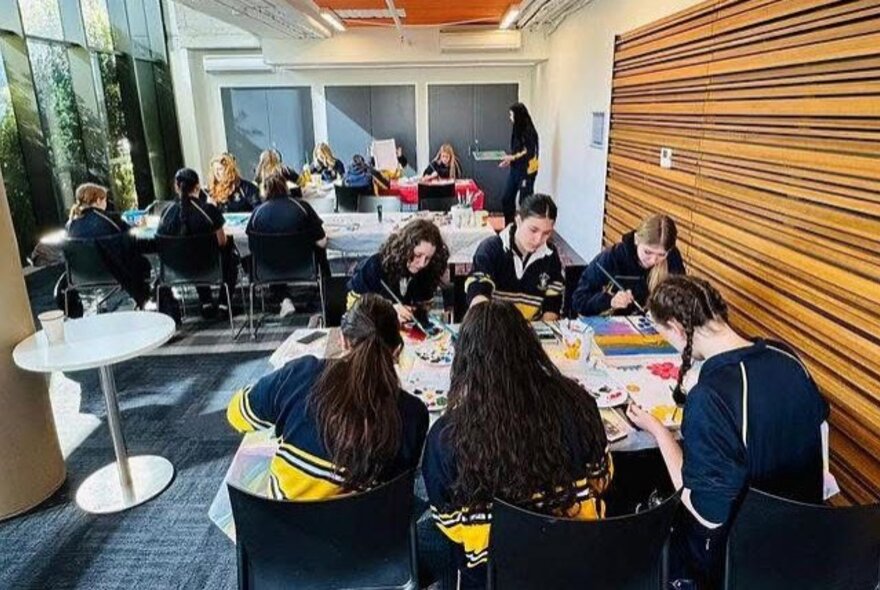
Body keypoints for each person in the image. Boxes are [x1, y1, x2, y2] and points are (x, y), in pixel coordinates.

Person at [626, 275, 829, 588]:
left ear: (679, 329)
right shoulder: (786, 357)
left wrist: (658, 430)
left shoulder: (710, 396)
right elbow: (822, 443)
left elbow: (706, 515)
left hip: (740, 561)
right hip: (808, 539)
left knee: (644, 507)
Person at [421, 300, 612, 589]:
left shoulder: (447, 434)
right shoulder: (578, 401)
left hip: (491, 576)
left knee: (424, 534)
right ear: (530, 347)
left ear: (464, 359)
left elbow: (450, 525)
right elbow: (601, 479)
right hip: (577, 562)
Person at [227, 294, 429, 500]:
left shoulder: (300, 374)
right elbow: (400, 489)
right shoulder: (415, 414)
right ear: (396, 351)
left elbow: (236, 414)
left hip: (283, 525)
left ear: (342, 340)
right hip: (366, 528)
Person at [54, 183, 151, 318]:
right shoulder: (110, 220)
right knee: (143, 263)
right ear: (99, 200)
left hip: (79, 277)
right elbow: (131, 239)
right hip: (113, 273)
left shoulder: (70, 226)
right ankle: (143, 302)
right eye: (105, 199)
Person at [466, 193, 565, 321]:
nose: (538, 239)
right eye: (533, 230)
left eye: (546, 233)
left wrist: (544, 331)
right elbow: (478, 293)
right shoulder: (491, 248)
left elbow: (552, 304)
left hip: (531, 330)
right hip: (494, 326)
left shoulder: (551, 256)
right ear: (518, 220)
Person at [157, 168, 239, 320]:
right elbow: (222, 242)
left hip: (175, 270)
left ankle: (206, 302)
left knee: (193, 254)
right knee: (229, 255)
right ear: (197, 187)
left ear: (176, 186)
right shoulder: (208, 210)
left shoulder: (166, 213)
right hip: (209, 266)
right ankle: (223, 305)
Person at [247, 172, 328, 317]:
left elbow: (252, 248)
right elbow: (322, 242)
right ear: (286, 187)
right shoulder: (302, 207)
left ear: (264, 191)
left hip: (268, 270)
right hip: (304, 266)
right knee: (320, 251)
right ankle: (329, 296)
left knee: (271, 253)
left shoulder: (256, 214)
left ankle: (283, 299)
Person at [572, 213, 686, 317]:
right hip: (613, 329)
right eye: (648, 252)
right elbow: (578, 301)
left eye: (661, 255)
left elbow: (683, 299)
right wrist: (610, 301)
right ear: (637, 240)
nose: (653, 260)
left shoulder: (672, 258)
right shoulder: (613, 257)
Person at [347, 219, 449, 325]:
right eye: (418, 255)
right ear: (405, 248)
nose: (422, 263)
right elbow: (353, 308)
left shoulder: (427, 271)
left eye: (428, 258)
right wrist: (388, 310)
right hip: (374, 332)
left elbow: (426, 311)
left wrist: (416, 312)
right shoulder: (375, 266)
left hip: (409, 334)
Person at [499, 102, 539, 226]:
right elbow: (517, 151)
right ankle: (509, 226)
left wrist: (513, 157)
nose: (510, 118)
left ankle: (527, 228)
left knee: (524, 202)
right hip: (515, 170)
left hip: (527, 171)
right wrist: (510, 160)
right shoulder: (517, 129)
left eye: (512, 115)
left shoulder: (529, 131)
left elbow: (529, 151)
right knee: (506, 198)